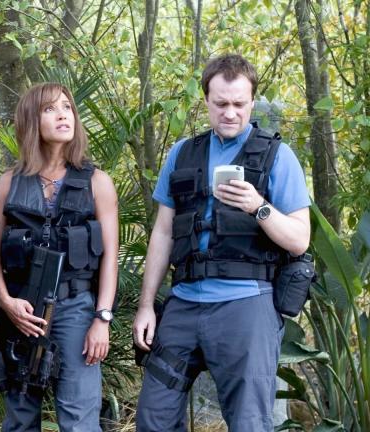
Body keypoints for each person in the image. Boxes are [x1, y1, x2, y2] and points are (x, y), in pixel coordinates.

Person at [132, 54, 311, 431]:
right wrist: (146, 306)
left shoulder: (278, 156)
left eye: (239, 104)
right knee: (153, 417)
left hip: (246, 307)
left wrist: (258, 206)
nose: (230, 113)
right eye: (221, 103)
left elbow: (299, 240)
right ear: (206, 101)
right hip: (183, 305)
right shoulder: (182, 153)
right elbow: (162, 232)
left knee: (249, 423)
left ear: (252, 101)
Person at [0, 82, 119, 431]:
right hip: (23, 312)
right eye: (50, 109)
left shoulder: (97, 182)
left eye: (67, 107)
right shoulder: (9, 182)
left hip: (76, 310)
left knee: (79, 420)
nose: (63, 115)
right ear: (32, 120)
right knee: (20, 418)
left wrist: (102, 319)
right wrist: (7, 303)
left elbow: (110, 258)